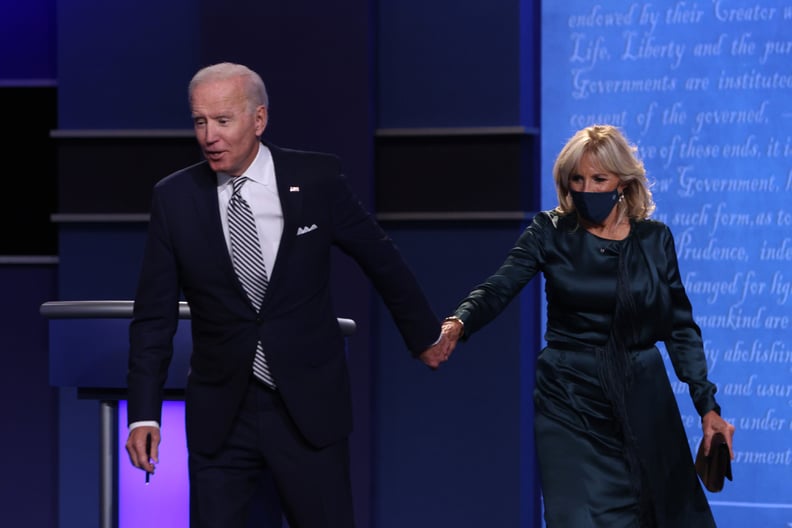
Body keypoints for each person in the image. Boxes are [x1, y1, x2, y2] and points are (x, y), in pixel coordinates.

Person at [125, 62, 451, 528]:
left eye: (223, 120)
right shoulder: (174, 198)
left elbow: (380, 257)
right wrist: (143, 414)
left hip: (307, 408)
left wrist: (423, 335)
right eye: (200, 122)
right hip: (221, 416)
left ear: (258, 119)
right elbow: (153, 315)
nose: (209, 136)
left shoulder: (315, 179)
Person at [433, 124, 735, 527]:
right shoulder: (549, 232)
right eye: (577, 178)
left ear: (623, 183)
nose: (586, 189)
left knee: (662, 513)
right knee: (579, 516)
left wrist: (707, 405)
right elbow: (499, 287)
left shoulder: (654, 240)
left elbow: (679, 327)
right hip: (569, 396)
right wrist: (459, 322)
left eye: (598, 179)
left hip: (643, 396)